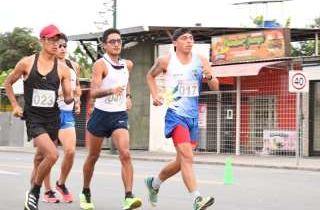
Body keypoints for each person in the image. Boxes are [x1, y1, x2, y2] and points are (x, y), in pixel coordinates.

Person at [145, 27, 219, 210]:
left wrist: (209, 77)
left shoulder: (200, 60)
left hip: (192, 116)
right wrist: (155, 95)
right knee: (187, 156)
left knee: (182, 161)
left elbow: (215, 86)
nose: (189, 41)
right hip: (175, 114)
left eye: (191, 38)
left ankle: (154, 183)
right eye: (185, 38)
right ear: (175, 43)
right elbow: (150, 76)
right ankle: (197, 199)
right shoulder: (165, 60)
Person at [5, 24, 75, 210]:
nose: (55, 44)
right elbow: (8, 83)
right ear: (42, 40)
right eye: (51, 40)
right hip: (34, 118)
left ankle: (31, 195)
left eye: (57, 40)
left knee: (40, 158)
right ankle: (35, 192)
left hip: (53, 118)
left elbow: (68, 97)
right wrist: (15, 105)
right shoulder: (27, 63)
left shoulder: (63, 69)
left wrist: (71, 95)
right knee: (52, 155)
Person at [79, 28, 142, 210]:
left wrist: (128, 96)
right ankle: (85, 192)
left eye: (119, 41)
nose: (116, 44)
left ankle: (129, 197)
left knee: (125, 153)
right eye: (112, 41)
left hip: (119, 115)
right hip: (100, 115)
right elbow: (94, 92)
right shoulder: (100, 65)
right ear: (104, 45)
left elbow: (126, 79)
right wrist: (110, 91)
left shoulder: (127, 64)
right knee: (93, 156)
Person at [42, 33, 81, 203]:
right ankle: (47, 190)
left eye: (65, 45)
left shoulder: (74, 65)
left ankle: (61, 183)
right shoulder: (46, 67)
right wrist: (64, 92)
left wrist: (77, 101)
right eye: (59, 45)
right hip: (49, 114)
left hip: (66, 113)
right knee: (49, 155)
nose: (62, 48)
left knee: (70, 151)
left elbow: (77, 86)